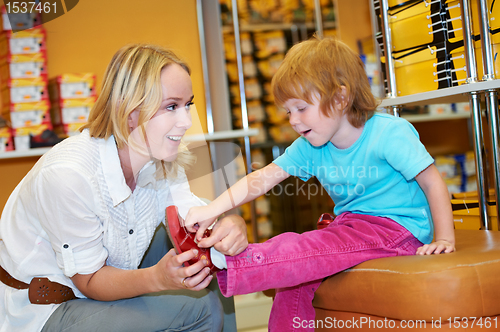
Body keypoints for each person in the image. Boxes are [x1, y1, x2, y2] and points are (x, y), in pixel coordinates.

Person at [184, 36, 456, 331]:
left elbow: (432, 183)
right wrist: (212, 209)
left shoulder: (389, 133)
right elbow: (260, 180)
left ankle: (228, 260)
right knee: (295, 284)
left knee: (308, 247)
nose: (293, 120)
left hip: (400, 231)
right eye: (288, 111)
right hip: (352, 225)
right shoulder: (311, 146)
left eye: (301, 108)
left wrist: (444, 239)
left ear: (340, 98)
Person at [0, 44, 248, 332]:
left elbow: (196, 219)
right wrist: (157, 278)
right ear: (129, 111)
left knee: (209, 268)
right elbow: (90, 281)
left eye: (187, 105)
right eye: (171, 106)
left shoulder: (163, 159)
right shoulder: (69, 175)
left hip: (107, 283)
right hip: (48, 309)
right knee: (200, 308)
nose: (186, 122)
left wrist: (228, 228)